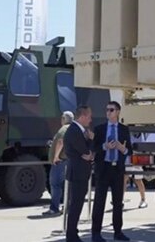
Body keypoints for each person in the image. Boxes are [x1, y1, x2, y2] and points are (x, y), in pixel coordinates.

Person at [91, 101, 132, 242]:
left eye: (111, 110)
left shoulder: (124, 129)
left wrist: (122, 148)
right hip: (103, 168)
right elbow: (94, 148)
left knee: (118, 202)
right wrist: (105, 146)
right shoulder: (100, 129)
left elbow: (129, 150)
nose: (108, 112)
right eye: (107, 110)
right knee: (99, 201)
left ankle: (118, 232)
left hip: (117, 169)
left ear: (118, 112)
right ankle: (96, 233)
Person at [64, 106, 95, 242]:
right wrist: (91, 140)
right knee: (75, 205)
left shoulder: (79, 131)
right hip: (77, 173)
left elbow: (87, 155)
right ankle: (71, 235)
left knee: (77, 204)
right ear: (82, 116)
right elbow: (87, 152)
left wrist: (88, 153)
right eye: (89, 116)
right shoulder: (75, 131)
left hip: (80, 173)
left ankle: (73, 231)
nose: (90, 120)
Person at [44, 111, 74, 216]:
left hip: (60, 161)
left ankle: (54, 208)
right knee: (66, 185)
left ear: (64, 119)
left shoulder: (63, 129)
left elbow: (61, 142)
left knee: (55, 184)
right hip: (69, 161)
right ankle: (67, 207)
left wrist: (56, 157)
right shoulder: (73, 129)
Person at [124, 133, 147, 209]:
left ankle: (143, 200)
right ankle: (120, 200)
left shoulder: (142, 135)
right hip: (128, 160)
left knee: (138, 180)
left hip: (137, 160)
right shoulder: (128, 134)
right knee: (124, 179)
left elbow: (144, 149)